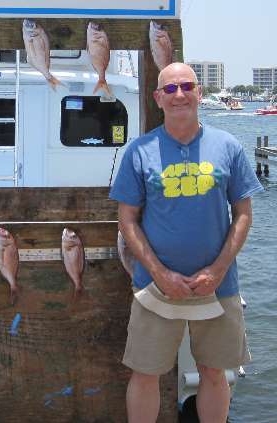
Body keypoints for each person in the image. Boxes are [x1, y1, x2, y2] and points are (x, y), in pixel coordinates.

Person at [110, 62, 263, 423]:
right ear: (157, 98)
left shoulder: (227, 146)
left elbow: (243, 213)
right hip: (155, 287)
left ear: (199, 92)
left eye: (186, 86)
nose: (179, 94)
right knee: (145, 373)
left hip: (219, 286)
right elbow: (127, 220)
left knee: (215, 372)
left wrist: (218, 269)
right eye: (170, 89)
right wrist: (159, 273)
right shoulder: (139, 151)